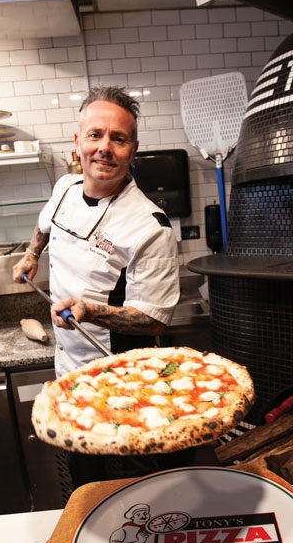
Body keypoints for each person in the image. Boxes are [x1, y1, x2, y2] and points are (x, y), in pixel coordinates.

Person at [11, 85, 180, 377]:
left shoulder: (151, 226)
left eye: (119, 139)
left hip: (117, 372)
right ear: (78, 143)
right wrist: (31, 253)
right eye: (95, 135)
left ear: (133, 151)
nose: (105, 148)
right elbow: (46, 220)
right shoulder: (65, 187)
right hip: (67, 362)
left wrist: (90, 311)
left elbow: (154, 320)